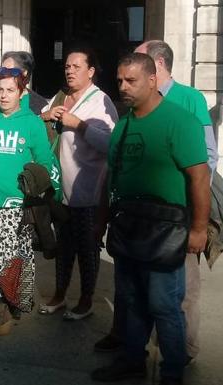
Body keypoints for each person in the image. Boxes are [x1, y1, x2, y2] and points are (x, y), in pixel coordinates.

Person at [91, 52, 210, 385]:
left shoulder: (179, 121)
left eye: (132, 81)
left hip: (166, 231)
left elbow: (199, 178)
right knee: (130, 300)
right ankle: (132, 361)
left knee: (164, 305)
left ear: (153, 80)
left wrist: (199, 229)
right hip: (128, 227)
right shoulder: (123, 125)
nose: (124, 87)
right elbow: (110, 178)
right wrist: (100, 223)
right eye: (119, 81)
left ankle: (172, 372)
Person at [0, 67, 57, 339]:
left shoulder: (32, 123)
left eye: (10, 90)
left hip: (20, 206)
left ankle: (17, 302)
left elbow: (45, 163)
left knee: (18, 258)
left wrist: (33, 180)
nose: (3, 96)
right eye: (0, 90)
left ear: (21, 92)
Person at [38, 47, 118, 320]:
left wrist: (79, 125)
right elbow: (38, 125)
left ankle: (86, 299)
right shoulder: (60, 97)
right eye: (67, 67)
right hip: (60, 189)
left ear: (91, 71)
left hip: (89, 192)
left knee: (87, 248)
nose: (69, 71)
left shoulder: (101, 101)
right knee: (63, 247)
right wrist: (48, 116)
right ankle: (60, 295)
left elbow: (110, 144)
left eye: (76, 66)